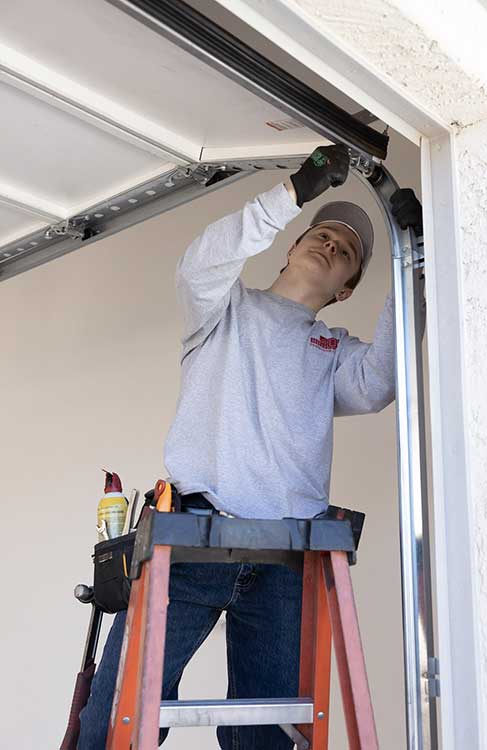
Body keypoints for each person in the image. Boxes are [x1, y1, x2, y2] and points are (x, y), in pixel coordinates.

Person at [78, 144, 423, 750]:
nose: (333, 245)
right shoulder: (221, 311)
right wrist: (291, 193)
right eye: (323, 234)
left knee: (267, 739)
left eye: (349, 253)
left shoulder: (331, 352)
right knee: (118, 720)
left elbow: (380, 384)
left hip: (285, 559)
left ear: (346, 290)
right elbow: (200, 264)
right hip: (190, 542)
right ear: (291, 245)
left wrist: (406, 261)